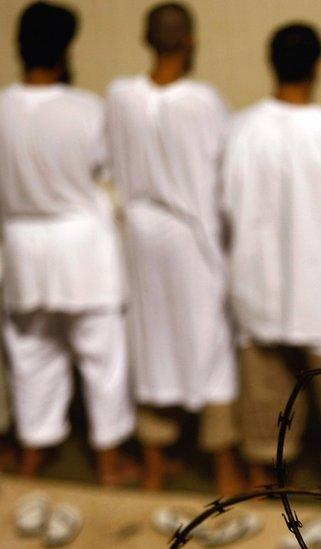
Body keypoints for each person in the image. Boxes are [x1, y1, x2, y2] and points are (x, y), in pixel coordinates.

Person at [222, 22, 321, 543]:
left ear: (271, 62)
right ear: (318, 64)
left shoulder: (240, 130)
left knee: (263, 427)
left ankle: (264, 523)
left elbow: (224, 206)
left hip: (259, 293)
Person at [105, 2, 242, 495]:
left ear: (146, 38)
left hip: (140, 235)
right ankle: (224, 465)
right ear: (191, 41)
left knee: (152, 341)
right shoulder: (204, 101)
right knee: (210, 346)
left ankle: (155, 460)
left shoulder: (120, 96)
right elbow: (226, 171)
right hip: (192, 237)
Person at [0, 1, 136, 485]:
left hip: (22, 248)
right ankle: (109, 460)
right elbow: (111, 173)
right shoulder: (87, 111)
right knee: (102, 359)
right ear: (65, 51)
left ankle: (32, 455)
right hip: (83, 251)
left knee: (31, 356)